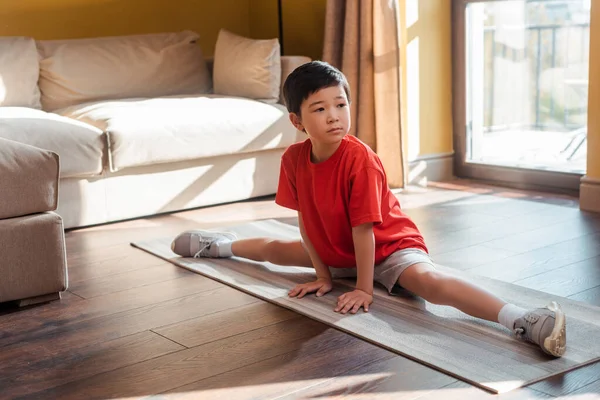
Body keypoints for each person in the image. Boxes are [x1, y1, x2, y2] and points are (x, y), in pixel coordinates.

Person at [171, 61, 566, 358]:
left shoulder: (360, 159)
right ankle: (219, 245)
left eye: (340, 104)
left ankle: (521, 319)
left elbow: (365, 229)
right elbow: (305, 220)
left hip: (388, 247)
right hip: (336, 247)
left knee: (430, 282)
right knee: (276, 250)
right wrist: (323, 274)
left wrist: (363, 287)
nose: (334, 116)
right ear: (297, 121)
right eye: (320, 109)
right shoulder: (293, 159)